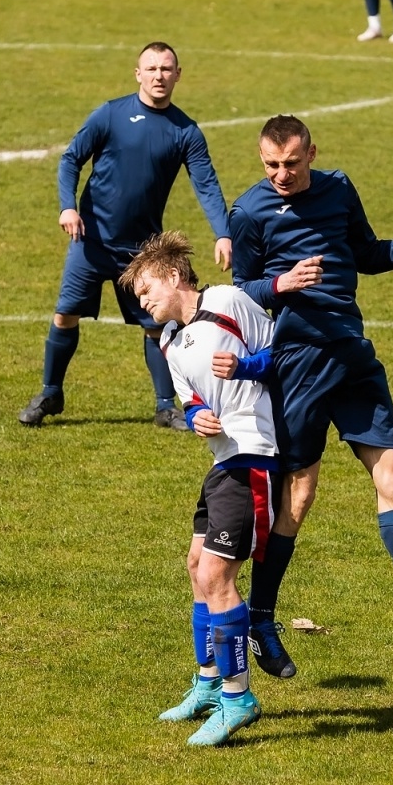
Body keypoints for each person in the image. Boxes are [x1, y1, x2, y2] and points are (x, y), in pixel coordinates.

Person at [225, 115, 393, 680]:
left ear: (312, 153)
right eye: (271, 165)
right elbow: (236, 294)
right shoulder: (249, 212)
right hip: (297, 366)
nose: (281, 174)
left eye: (292, 163)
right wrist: (281, 285)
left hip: (351, 356)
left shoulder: (338, 188)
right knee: (298, 499)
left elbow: (366, 253)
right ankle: (259, 616)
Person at [18, 43, 233, 430]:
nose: (158, 75)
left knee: (156, 325)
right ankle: (51, 392)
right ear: (138, 74)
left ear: (178, 75)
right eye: (151, 68)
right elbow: (71, 159)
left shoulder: (186, 131)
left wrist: (223, 233)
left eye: (167, 69)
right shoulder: (111, 115)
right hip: (92, 240)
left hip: (142, 251)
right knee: (66, 315)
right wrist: (68, 206)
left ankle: (166, 406)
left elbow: (206, 184)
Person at [125, 232, 275, 746]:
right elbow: (189, 399)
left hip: (254, 453)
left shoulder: (228, 302)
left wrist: (246, 367)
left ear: (172, 276)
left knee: (216, 573)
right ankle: (210, 683)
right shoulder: (167, 341)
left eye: (146, 291)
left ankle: (239, 698)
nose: (143, 303)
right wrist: (197, 417)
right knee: (195, 565)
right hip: (222, 461)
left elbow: (284, 353)